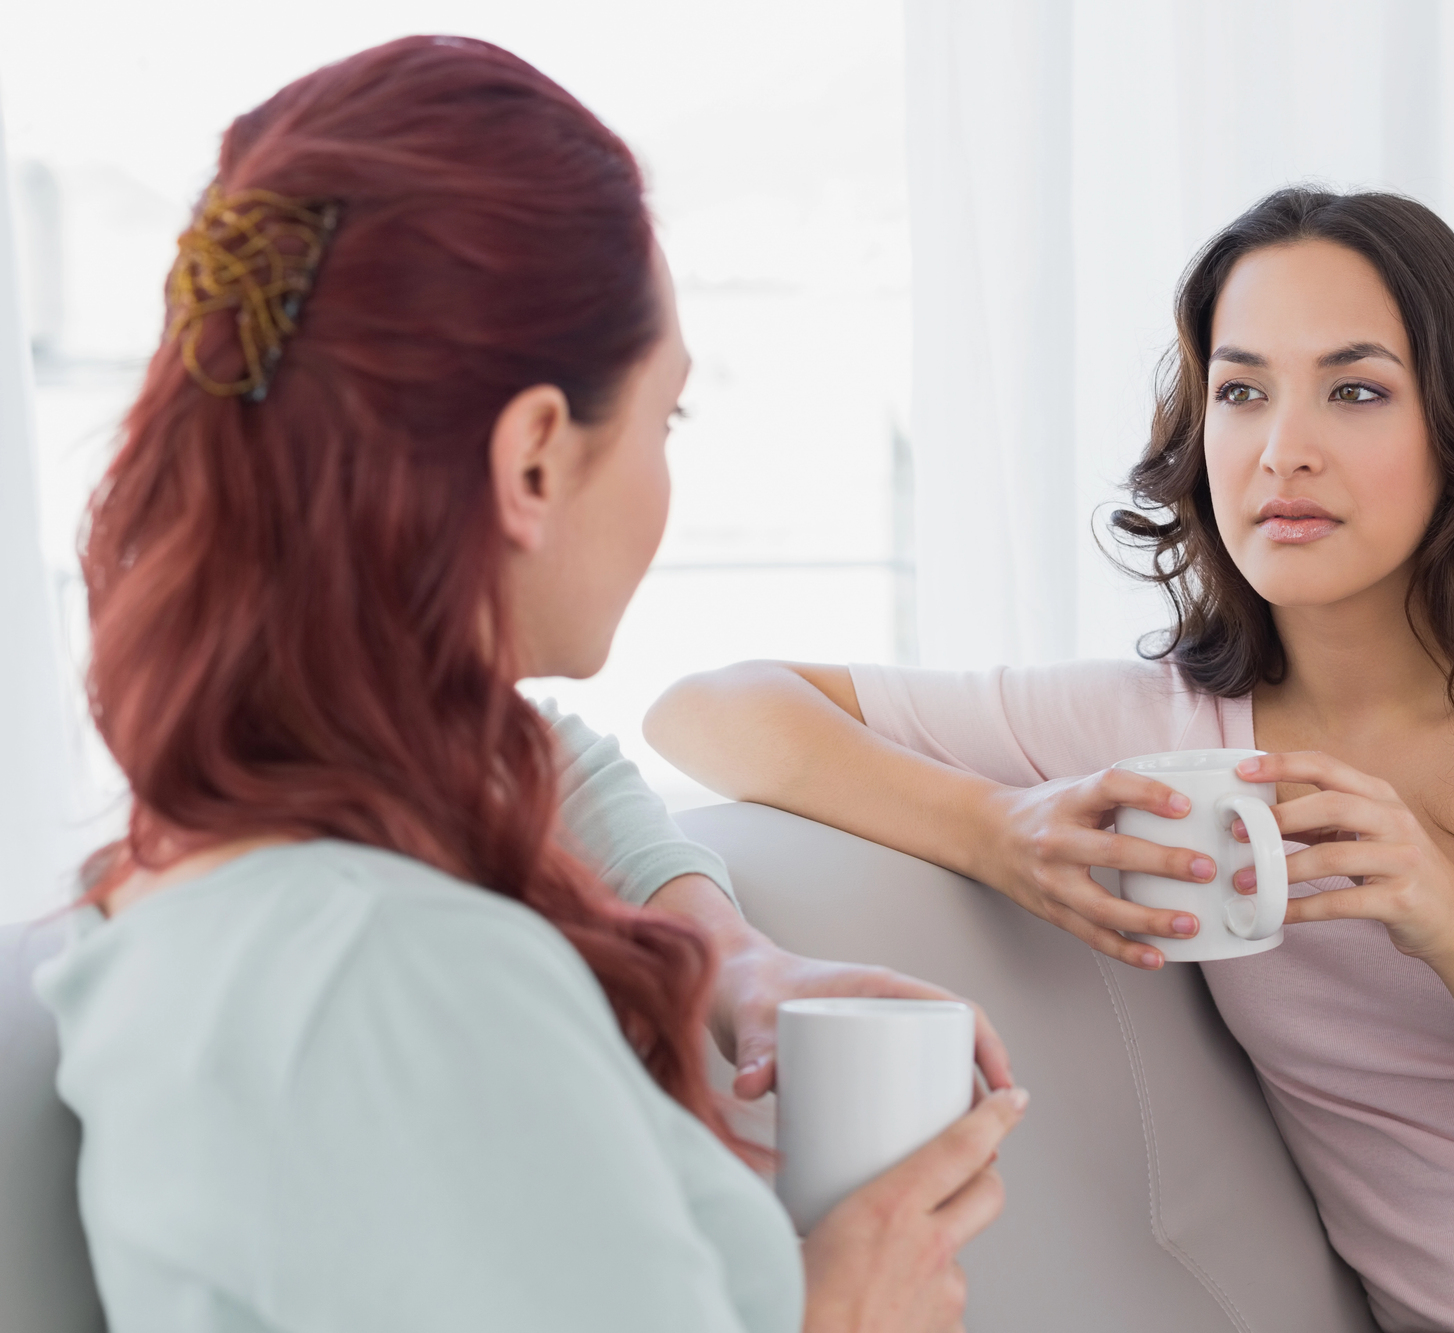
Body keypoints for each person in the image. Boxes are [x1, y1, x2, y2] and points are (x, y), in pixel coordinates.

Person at [651, 189, 1454, 1333]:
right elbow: (709, 709)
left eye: (1354, 389)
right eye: (1241, 390)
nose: (1282, 445)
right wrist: (1006, 834)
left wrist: (1451, 918)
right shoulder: (1159, 727)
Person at [35, 36, 1026, 1333]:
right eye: (665, 422)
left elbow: (544, 758)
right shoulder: (404, 981)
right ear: (537, 457)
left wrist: (734, 958)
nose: (669, 478)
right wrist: (848, 1307)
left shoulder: (242, 851)